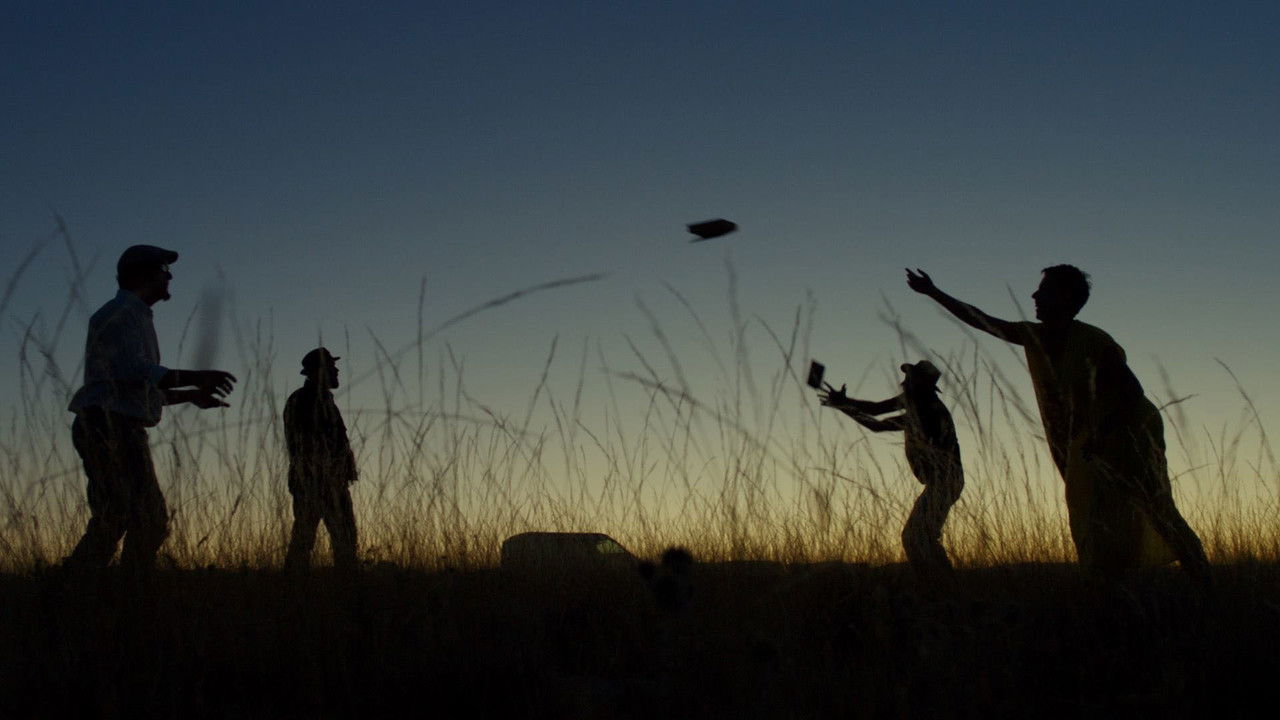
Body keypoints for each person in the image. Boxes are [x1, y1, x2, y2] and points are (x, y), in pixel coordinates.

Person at [906, 265, 1210, 585]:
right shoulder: (1033, 336)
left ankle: (1201, 580)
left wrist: (1101, 433)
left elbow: (1131, 393)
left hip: (1128, 430)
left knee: (1153, 507)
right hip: (1088, 438)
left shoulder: (1094, 341)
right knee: (1091, 512)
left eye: (1044, 289)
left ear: (1066, 297)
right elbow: (982, 320)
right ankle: (1110, 590)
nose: (1035, 295)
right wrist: (933, 292)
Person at [64, 245, 237, 577]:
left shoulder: (135, 316)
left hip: (116, 425)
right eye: (165, 271)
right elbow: (134, 371)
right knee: (131, 517)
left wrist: (189, 395)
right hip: (107, 426)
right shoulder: (117, 315)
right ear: (145, 275)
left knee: (130, 518)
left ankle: (98, 595)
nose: (169, 278)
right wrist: (196, 376)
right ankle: (81, 597)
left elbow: (133, 388)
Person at [820, 361, 964, 576]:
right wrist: (844, 402)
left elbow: (876, 424)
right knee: (920, 536)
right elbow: (876, 409)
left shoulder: (925, 410)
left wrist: (843, 406)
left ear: (921, 384)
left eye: (910, 378)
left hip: (946, 481)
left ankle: (942, 584)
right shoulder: (916, 400)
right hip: (944, 481)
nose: (904, 381)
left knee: (915, 537)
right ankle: (944, 582)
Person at [283, 348, 359, 572]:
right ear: (318, 372)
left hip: (331, 482)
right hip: (313, 482)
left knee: (343, 539)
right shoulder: (304, 400)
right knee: (306, 540)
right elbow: (305, 444)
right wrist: (325, 475)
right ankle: (292, 590)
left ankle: (346, 588)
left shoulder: (323, 400)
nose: (336, 371)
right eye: (331, 367)